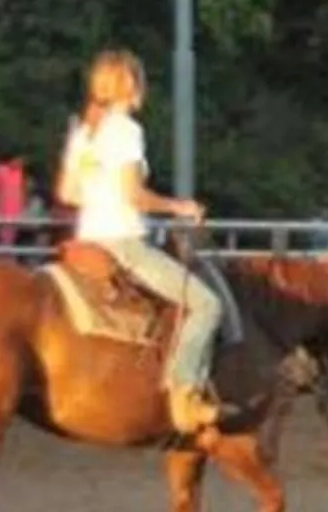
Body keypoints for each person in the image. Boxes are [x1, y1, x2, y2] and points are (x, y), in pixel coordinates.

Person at [55, 49, 224, 434]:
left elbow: (68, 193)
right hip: (122, 241)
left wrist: (101, 195)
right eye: (139, 79)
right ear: (128, 84)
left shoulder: (85, 132)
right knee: (206, 305)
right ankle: (184, 394)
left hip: (87, 240)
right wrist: (180, 207)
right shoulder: (126, 131)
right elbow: (135, 196)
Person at [0, 154, 28, 253]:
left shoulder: (19, 173)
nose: (20, 164)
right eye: (18, 160)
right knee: (3, 234)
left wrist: (22, 205)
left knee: (12, 236)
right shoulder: (1, 170)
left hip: (16, 210)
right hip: (3, 208)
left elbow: (20, 189)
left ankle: (8, 255)